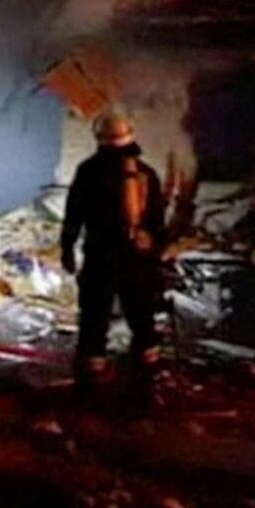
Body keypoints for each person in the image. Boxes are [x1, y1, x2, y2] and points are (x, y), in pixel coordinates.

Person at [60, 112, 168, 384]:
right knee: (142, 318)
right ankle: (145, 378)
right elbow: (157, 222)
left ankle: (89, 380)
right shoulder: (146, 174)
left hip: (101, 256)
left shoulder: (88, 171)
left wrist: (67, 247)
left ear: (99, 138)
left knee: (95, 318)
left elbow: (74, 213)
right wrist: (154, 257)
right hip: (137, 258)